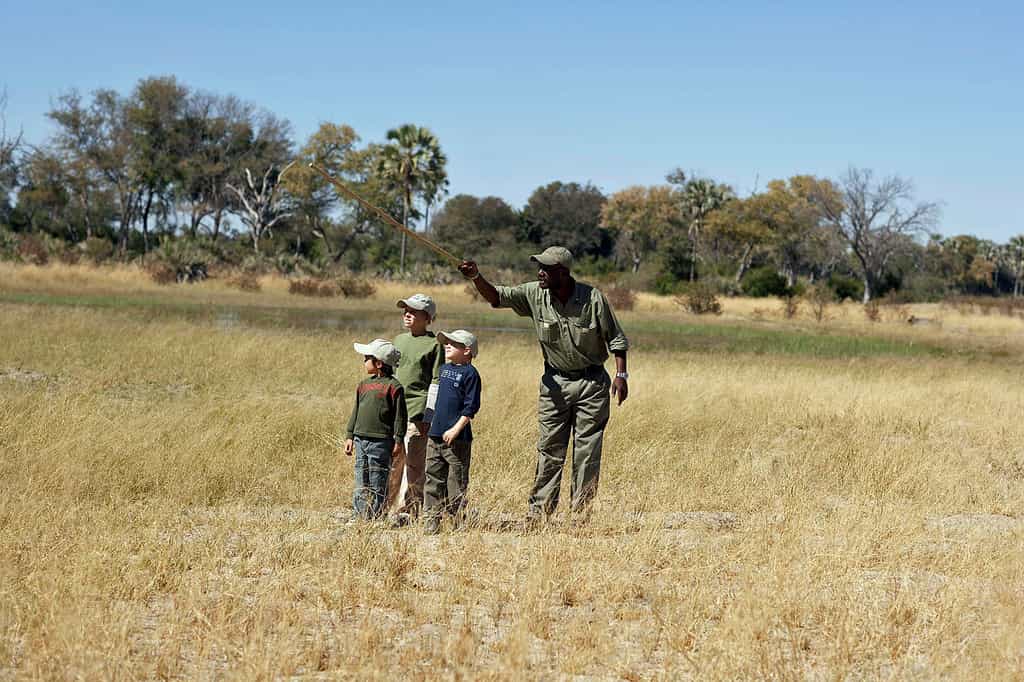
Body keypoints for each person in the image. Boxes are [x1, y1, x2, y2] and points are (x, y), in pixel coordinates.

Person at [459, 246, 629, 523]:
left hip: (592, 383)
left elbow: (617, 340)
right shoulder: (534, 293)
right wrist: (476, 276)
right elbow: (497, 297)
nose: (540, 272)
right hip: (555, 384)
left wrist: (621, 376)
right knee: (550, 448)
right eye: (539, 267)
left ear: (563, 272)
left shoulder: (593, 299)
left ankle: (580, 515)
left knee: (586, 452)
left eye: (547, 268)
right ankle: (539, 514)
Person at [388, 293, 442, 524]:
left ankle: (410, 509)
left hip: (417, 410)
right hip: (394, 411)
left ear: (427, 317)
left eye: (413, 311)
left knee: (415, 462)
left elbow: (437, 380)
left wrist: (429, 414)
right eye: (405, 310)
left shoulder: (434, 344)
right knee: (393, 460)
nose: (407, 315)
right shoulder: (399, 340)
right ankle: (386, 506)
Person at [423, 330, 482, 535]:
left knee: (455, 481)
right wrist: (430, 424)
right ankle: (432, 521)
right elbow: (434, 399)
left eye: (453, 343)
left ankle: (456, 521)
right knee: (433, 478)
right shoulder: (443, 369)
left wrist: (456, 429)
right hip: (435, 434)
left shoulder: (471, 374)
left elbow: (471, 408)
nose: (447, 345)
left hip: (457, 439)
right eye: (446, 342)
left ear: (467, 351)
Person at [344, 339, 407, 520]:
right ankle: (359, 515)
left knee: (378, 479)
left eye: (367, 358)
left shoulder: (394, 387)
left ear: (379, 363)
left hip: (381, 442)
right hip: (360, 440)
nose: (364, 361)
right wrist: (350, 436)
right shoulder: (363, 385)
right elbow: (356, 410)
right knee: (360, 479)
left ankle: (377, 516)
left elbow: (400, 417)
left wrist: (398, 440)